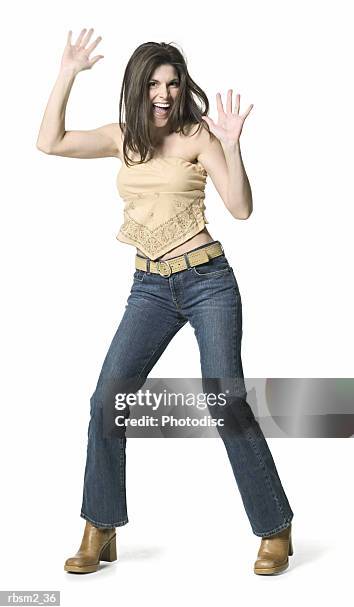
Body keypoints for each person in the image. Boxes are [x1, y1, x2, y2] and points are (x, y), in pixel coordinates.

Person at [37, 28, 294, 575]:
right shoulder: (123, 138)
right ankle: (98, 526)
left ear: (182, 89)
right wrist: (66, 74)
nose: (165, 93)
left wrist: (230, 144)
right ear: (139, 87)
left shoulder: (196, 136)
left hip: (207, 282)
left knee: (225, 401)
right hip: (150, 287)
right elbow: (51, 142)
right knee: (107, 399)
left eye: (173, 83)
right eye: (155, 83)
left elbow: (241, 208)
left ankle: (275, 530)